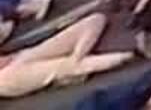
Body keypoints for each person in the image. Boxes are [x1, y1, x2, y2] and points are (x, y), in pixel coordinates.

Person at [0, 13, 135, 98]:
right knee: (62, 67)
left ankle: (76, 61)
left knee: (95, 19)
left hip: (17, 56)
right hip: (6, 78)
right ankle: (127, 55)